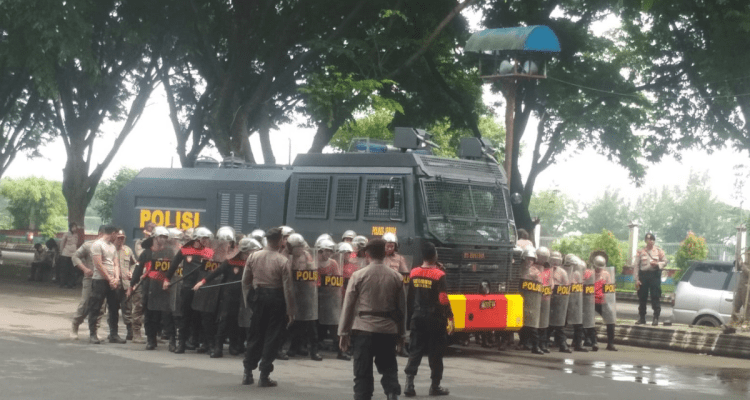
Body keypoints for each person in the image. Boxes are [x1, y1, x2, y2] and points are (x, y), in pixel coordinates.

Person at [339, 238, 405, 400]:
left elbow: (348, 307)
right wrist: (402, 335)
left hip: (363, 330)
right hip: (387, 330)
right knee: (389, 369)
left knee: (362, 372)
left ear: (367, 254)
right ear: (384, 253)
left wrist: (343, 332)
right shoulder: (396, 277)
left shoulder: (358, 275)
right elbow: (402, 310)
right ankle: (391, 395)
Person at [241, 227, 295, 387]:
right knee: (272, 337)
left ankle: (247, 373)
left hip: (258, 298)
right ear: (279, 241)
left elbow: (245, 281)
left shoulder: (253, 256)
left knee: (255, 335)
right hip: (276, 300)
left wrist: (248, 302)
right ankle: (264, 375)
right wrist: (291, 311)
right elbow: (288, 289)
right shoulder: (282, 261)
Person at [194, 237, 262, 358]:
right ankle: (218, 348)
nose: (254, 254)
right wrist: (202, 282)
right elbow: (215, 273)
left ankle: (234, 346)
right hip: (228, 296)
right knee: (224, 321)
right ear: (245, 252)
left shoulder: (253, 263)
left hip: (244, 296)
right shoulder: (230, 262)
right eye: (252, 251)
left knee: (239, 322)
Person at [403, 242, 452, 397]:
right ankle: (435, 386)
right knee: (436, 353)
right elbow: (443, 299)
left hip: (417, 317)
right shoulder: (439, 275)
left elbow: (410, 298)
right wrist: (450, 317)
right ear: (435, 256)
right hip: (435, 319)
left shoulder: (414, 272)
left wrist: (409, 318)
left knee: (415, 351)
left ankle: (409, 384)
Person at [164, 227, 214, 353]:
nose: (206, 241)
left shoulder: (209, 252)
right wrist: (167, 279)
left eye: (207, 238)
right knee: (185, 316)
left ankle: (203, 343)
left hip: (202, 287)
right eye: (204, 238)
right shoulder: (185, 250)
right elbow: (174, 264)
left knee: (202, 316)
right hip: (188, 286)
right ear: (197, 239)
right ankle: (181, 343)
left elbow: (211, 269)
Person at [127, 226, 172, 350]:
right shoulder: (146, 253)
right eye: (161, 237)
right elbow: (138, 270)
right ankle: (151, 339)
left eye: (165, 237)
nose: (163, 239)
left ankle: (169, 339)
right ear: (155, 238)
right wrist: (131, 286)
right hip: (149, 287)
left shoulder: (169, 252)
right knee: (149, 314)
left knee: (165, 314)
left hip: (165, 287)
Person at [286, 233, 322, 360]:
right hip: (292, 291)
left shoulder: (307, 255)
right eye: (297, 247)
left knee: (311, 323)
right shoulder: (286, 256)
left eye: (301, 246)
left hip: (306, 291)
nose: (300, 249)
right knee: (296, 323)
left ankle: (314, 351)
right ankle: (293, 348)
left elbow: (313, 273)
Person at [87, 225, 125, 344]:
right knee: (96, 307)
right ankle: (93, 334)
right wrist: (109, 278)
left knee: (114, 308)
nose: (117, 237)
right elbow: (98, 264)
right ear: (112, 233)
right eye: (116, 235)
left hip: (112, 281)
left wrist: (117, 278)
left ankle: (113, 334)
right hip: (100, 280)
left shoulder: (112, 247)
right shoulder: (97, 244)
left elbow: (115, 264)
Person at [69, 227, 106, 340]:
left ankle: (95, 330)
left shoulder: (109, 247)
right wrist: (84, 269)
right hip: (90, 278)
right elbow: (75, 256)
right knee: (85, 303)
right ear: (100, 234)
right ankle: (75, 326)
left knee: (101, 306)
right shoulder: (88, 245)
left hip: (103, 279)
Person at [316, 238, 350, 360]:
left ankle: (340, 351)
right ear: (320, 251)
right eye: (327, 251)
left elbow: (338, 280)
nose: (329, 253)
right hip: (316, 297)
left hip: (330, 298)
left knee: (334, 325)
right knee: (315, 325)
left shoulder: (334, 263)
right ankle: (311, 349)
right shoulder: (314, 263)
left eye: (331, 251)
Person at [633, 232, 667, 326]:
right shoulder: (641, 251)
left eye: (652, 239)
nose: (650, 241)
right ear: (645, 241)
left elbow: (665, 261)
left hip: (654, 275)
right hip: (643, 276)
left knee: (655, 296)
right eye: (648, 239)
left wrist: (657, 264)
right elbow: (636, 265)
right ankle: (642, 318)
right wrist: (636, 279)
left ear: (654, 240)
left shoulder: (659, 251)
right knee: (642, 297)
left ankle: (656, 318)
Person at [115, 230, 139, 341]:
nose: (120, 240)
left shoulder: (127, 250)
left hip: (125, 285)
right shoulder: (110, 250)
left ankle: (130, 331)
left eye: (122, 238)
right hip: (114, 285)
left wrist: (131, 272)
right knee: (113, 309)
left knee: (127, 309)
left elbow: (135, 264)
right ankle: (113, 332)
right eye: (119, 237)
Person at [593, 255, 617, 351]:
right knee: (589, 321)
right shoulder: (589, 274)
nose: (598, 270)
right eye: (597, 267)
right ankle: (593, 341)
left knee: (610, 321)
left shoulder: (606, 274)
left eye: (600, 267)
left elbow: (609, 289)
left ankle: (610, 343)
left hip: (602, 300)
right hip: (591, 300)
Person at [58, 222, 80, 288]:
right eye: (73, 227)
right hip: (66, 254)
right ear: (70, 227)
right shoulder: (66, 234)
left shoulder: (76, 235)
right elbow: (62, 243)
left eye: (75, 227)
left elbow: (76, 244)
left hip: (73, 254)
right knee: (64, 269)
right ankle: (62, 283)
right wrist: (61, 252)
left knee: (72, 270)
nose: (75, 228)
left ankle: (70, 284)